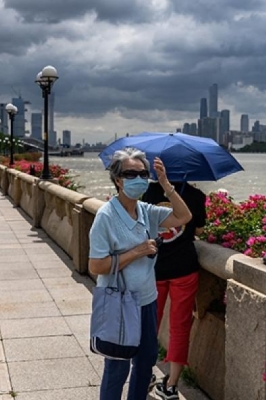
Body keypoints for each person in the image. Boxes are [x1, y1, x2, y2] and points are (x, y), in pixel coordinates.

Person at [89, 147, 192, 400]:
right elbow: (96, 266)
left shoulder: (146, 211)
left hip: (146, 299)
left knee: (145, 363)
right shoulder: (106, 216)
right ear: (117, 180)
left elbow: (183, 216)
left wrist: (166, 184)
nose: (138, 179)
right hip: (119, 302)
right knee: (117, 367)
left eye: (143, 174)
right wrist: (136, 252)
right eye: (130, 174)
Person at [142, 180, 207, 400]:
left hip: (154, 268)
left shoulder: (149, 191)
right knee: (180, 327)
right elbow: (198, 228)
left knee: (150, 322)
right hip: (185, 268)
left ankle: (144, 373)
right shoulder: (196, 195)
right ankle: (171, 385)